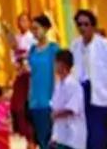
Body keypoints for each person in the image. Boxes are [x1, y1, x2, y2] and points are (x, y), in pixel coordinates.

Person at [73, 9, 107, 149]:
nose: (82, 28)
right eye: (79, 24)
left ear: (93, 26)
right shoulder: (75, 45)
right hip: (81, 94)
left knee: (101, 134)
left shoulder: (105, 45)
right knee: (85, 136)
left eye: (86, 24)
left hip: (100, 94)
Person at [27, 16, 63, 149]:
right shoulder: (32, 50)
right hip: (35, 101)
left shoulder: (54, 49)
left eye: (37, 28)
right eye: (32, 29)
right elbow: (32, 75)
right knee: (42, 141)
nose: (34, 32)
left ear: (46, 29)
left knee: (55, 140)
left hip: (50, 99)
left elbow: (58, 75)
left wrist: (57, 99)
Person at [52, 53, 88, 149]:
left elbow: (72, 109)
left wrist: (55, 114)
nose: (54, 66)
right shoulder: (58, 85)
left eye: (56, 63)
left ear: (62, 65)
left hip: (73, 137)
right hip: (60, 136)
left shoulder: (74, 85)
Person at [10, 14, 36, 146]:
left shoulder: (33, 38)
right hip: (21, 76)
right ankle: (26, 137)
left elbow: (33, 55)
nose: (22, 23)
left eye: (25, 20)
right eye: (20, 20)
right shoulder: (17, 38)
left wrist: (24, 57)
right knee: (18, 107)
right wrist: (17, 61)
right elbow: (13, 57)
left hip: (31, 76)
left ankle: (33, 138)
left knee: (29, 107)